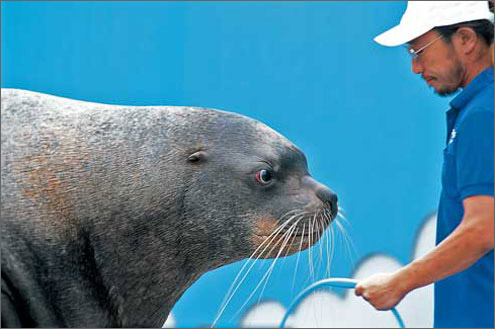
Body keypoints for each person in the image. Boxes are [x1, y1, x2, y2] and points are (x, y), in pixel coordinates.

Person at [354, 2, 494, 328]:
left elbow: (483, 229)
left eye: (420, 50)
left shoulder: (483, 114)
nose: (416, 67)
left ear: (466, 39)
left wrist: (398, 283)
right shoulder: (478, 110)